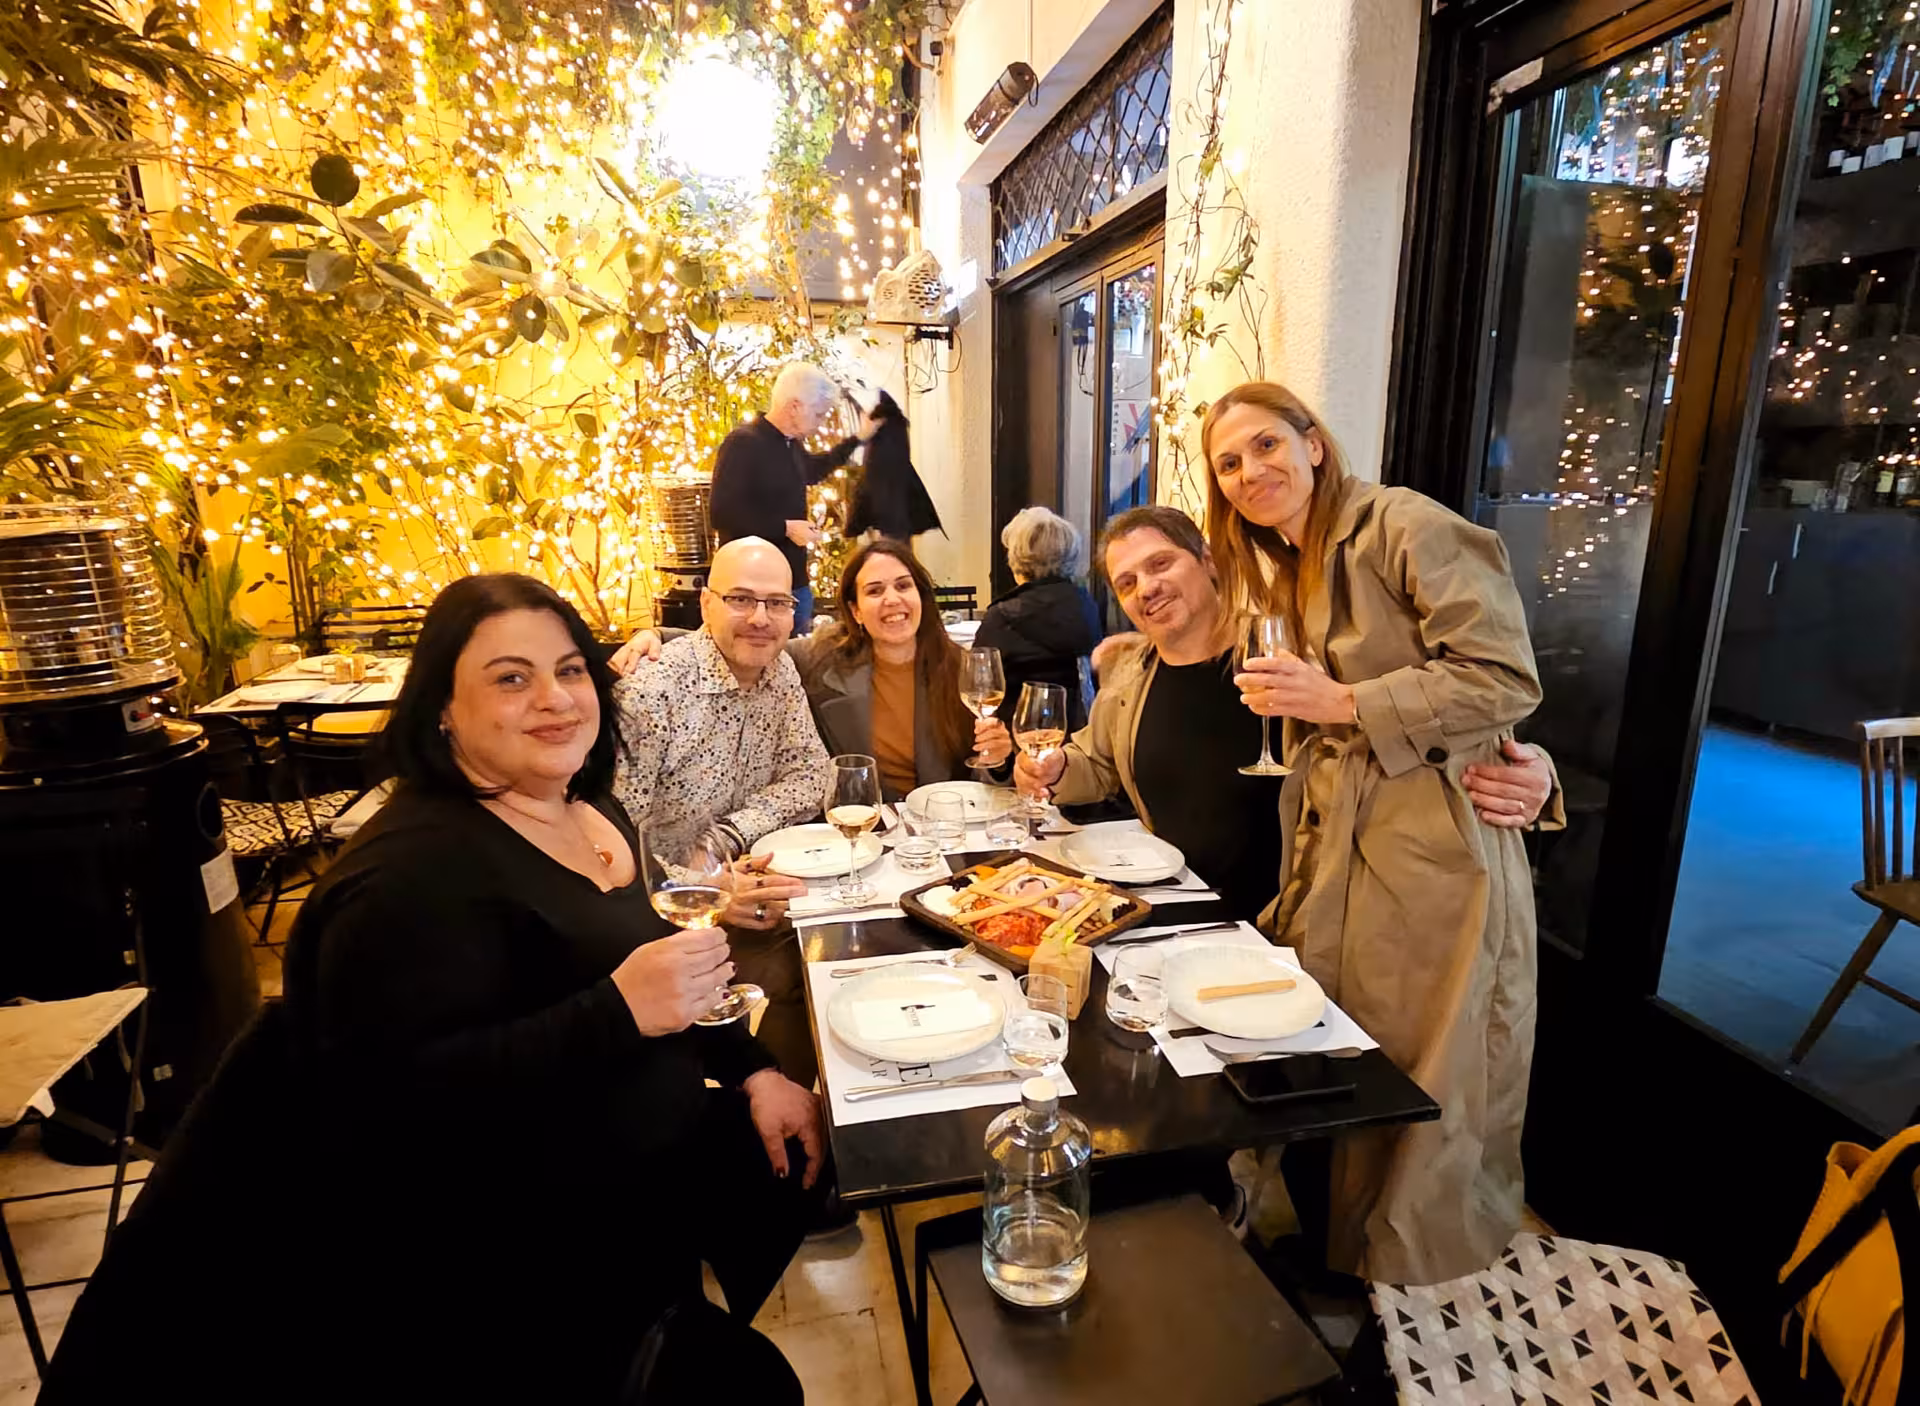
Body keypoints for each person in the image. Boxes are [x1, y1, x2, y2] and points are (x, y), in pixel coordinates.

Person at [41, 575, 825, 1402]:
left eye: (570, 670)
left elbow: (653, 962)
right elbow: (387, 1108)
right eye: (510, 678)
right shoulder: (407, 877)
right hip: (495, 1279)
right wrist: (615, 1011)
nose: (556, 699)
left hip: (631, 1222)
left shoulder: (587, 807)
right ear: (442, 708)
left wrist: (750, 1067)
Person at [1204, 379, 1550, 1286]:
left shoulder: (1404, 525)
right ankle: (1338, 1254)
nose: (1251, 472)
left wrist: (1347, 701)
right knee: (1345, 1043)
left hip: (1432, 850)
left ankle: (1400, 1282)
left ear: (1314, 442)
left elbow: (1505, 677)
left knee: (1418, 1064)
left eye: (1267, 446)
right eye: (1229, 464)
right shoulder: (1292, 562)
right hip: (1347, 835)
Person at [1017, 505, 1554, 923]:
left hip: (1299, 922)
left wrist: (1531, 768)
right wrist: (1058, 770)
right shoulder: (1134, 670)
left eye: (1160, 564)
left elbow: (1420, 712)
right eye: (1126, 583)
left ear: (1206, 561)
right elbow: (1101, 761)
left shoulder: (1292, 652)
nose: (1146, 589)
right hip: (1180, 915)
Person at [612, 535, 831, 1089]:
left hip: (748, 890)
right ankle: (766, 1110)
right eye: (741, 599)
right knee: (800, 981)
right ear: (706, 605)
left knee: (833, 961)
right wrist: (704, 887)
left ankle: (800, 1108)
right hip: (655, 924)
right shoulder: (653, 692)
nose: (761, 618)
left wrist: (728, 838)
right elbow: (607, 850)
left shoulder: (780, 674)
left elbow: (813, 773)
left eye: (777, 603)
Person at [796, 538, 1013, 800]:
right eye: (875, 591)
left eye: (903, 586)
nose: (892, 599)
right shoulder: (821, 662)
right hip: (865, 830)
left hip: (943, 826)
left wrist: (998, 762)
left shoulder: (960, 669)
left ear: (920, 597)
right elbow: (765, 647)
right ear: (856, 612)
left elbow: (983, 786)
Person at [711, 361, 877, 633]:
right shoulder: (743, 444)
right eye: (819, 414)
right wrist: (786, 528)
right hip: (754, 592)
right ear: (795, 406)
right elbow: (723, 513)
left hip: (794, 584)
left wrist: (858, 439)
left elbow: (814, 470)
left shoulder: (791, 445)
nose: (821, 422)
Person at [977, 505, 1102, 732]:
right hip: (1082, 736)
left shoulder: (1002, 616)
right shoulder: (1086, 605)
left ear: (1016, 559)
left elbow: (981, 684)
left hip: (1019, 739)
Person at [844, 388, 942, 545]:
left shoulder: (879, 436)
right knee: (900, 556)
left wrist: (856, 522)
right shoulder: (897, 429)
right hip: (900, 513)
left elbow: (870, 477)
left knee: (890, 555)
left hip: (885, 517)